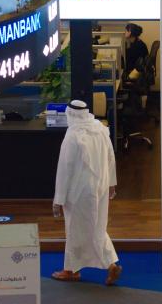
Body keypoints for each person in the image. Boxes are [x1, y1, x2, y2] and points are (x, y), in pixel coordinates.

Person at [52, 100, 122, 285]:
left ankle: (71, 271)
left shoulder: (73, 135)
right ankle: (111, 264)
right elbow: (110, 156)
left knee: (74, 229)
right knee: (97, 228)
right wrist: (111, 184)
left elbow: (64, 169)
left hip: (79, 191)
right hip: (100, 186)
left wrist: (58, 199)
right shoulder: (100, 128)